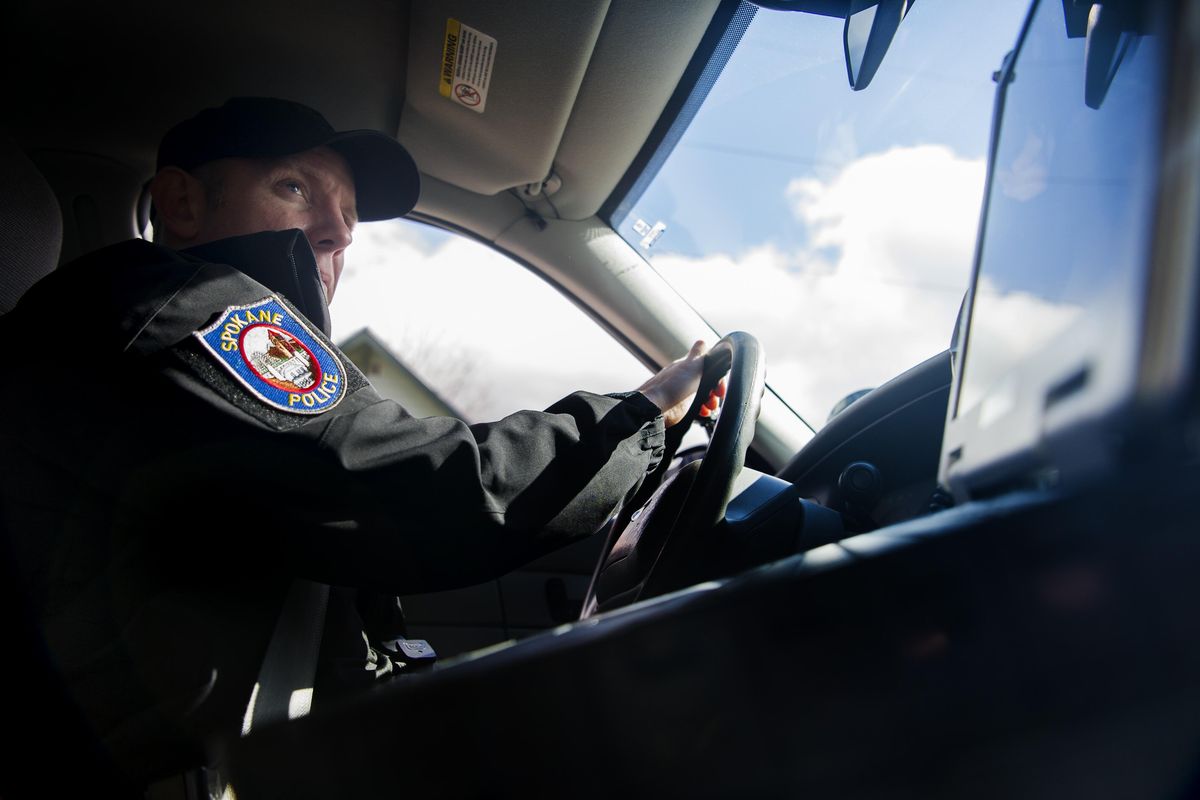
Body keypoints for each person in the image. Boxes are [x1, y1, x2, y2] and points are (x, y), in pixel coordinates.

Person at [0, 97, 721, 790]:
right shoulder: (172, 307)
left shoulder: (176, 330)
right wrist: (645, 412)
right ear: (183, 204)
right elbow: (426, 490)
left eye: (348, 217)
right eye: (293, 188)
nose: (337, 233)